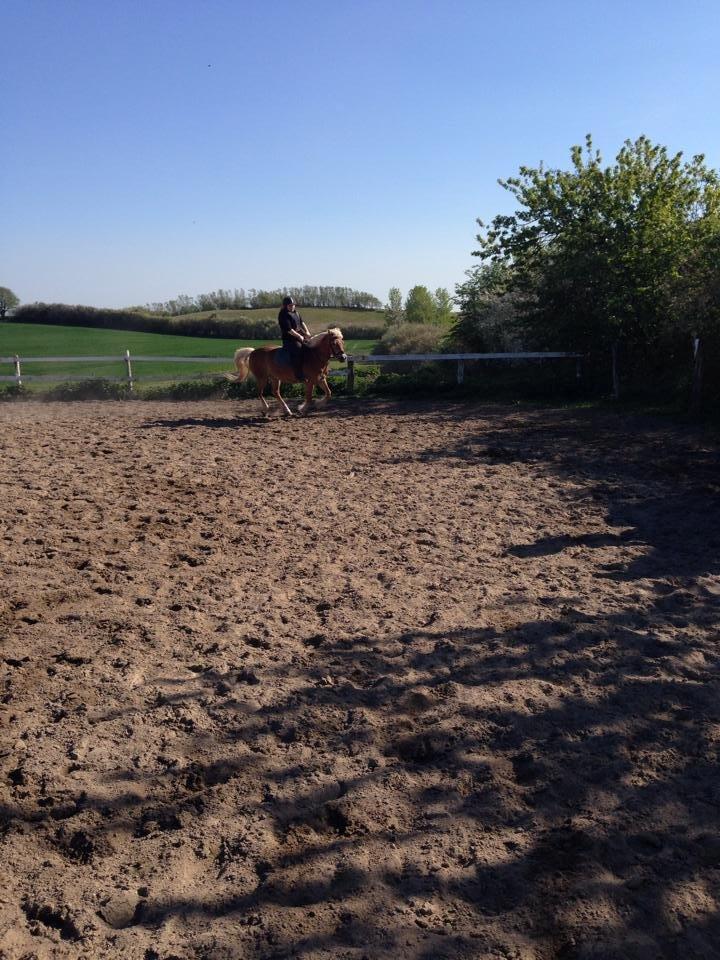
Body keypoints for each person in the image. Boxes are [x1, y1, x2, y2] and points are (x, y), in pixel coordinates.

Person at [277, 296, 310, 382]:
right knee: (298, 350)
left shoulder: (296, 313)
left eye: (293, 305)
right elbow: (289, 330)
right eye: (290, 305)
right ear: (285, 306)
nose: (292, 307)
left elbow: (302, 322)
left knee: (311, 346)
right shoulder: (283, 315)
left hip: (300, 336)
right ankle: (299, 374)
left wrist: (307, 332)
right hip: (290, 340)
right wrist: (299, 336)